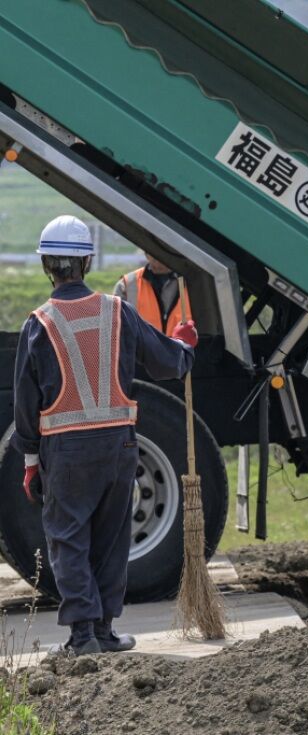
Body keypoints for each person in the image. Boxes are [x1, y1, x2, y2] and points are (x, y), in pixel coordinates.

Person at [11, 215, 199, 656]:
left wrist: (30, 460)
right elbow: (168, 362)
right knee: (111, 540)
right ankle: (106, 631)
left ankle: (83, 638)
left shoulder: (39, 324)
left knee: (69, 539)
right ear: (87, 262)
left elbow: (25, 404)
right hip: (120, 446)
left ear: (46, 266)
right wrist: (185, 345)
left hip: (66, 452)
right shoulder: (118, 312)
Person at [113, 252, 191, 337]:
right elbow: (115, 330)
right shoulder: (126, 285)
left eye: (163, 250)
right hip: (140, 345)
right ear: (146, 253)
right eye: (155, 249)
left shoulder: (192, 283)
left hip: (181, 345)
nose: (159, 255)